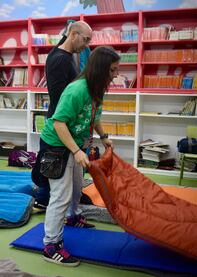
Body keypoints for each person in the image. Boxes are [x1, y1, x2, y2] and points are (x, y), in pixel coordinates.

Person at [41, 46, 120, 266]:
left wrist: (104, 136)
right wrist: (75, 151)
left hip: (75, 144)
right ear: (102, 69)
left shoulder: (97, 88)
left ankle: (73, 217)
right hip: (57, 145)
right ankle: (51, 245)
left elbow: (93, 117)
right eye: (113, 70)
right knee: (60, 195)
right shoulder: (77, 90)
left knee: (77, 187)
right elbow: (59, 123)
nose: (116, 75)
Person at [32, 21, 93, 211]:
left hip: (64, 123)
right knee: (56, 165)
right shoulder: (60, 59)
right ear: (73, 34)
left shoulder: (63, 53)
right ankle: (43, 200)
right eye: (85, 39)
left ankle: (50, 198)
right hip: (60, 124)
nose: (87, 45)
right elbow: (59, 99)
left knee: (61, 167)